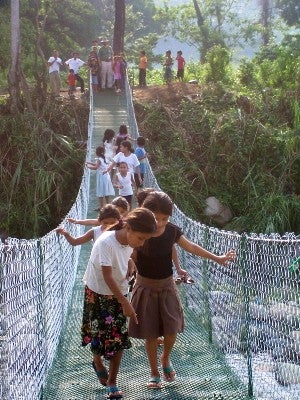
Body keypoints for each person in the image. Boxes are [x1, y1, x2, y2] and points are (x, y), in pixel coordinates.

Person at [128, 191, 236, 389]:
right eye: (156, 218)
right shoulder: (139, 231)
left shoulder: (171, 231)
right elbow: (128, 251)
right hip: (145, 287)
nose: (160, 223)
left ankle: (165, 358)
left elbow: (191, 247)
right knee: (150, 332)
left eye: (164, 218)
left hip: (167, 286)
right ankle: (153, 372)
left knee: (172, 327)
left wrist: (217, 258)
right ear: (145, 212)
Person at [81, 207, 157, 399]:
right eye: (140, 238)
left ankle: (113, 381)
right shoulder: (106, 242)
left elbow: (126, 252)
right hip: (97, 291)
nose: (141, 243)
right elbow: (107, 276)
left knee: (118, 337)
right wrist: (125, 303)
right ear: (128, 228)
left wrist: (131, 263)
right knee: (97, 333)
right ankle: (97, 362)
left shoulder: (130, 240)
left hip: (119, 290)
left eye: (145, 240)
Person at [56, 204, 121, 245]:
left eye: (112, 223)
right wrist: (66, 234)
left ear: (117, 221)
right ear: (100, 221)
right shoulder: (94, 232)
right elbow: (75, 242)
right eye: (106, 223)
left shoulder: (120, 231)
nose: (109, 225)